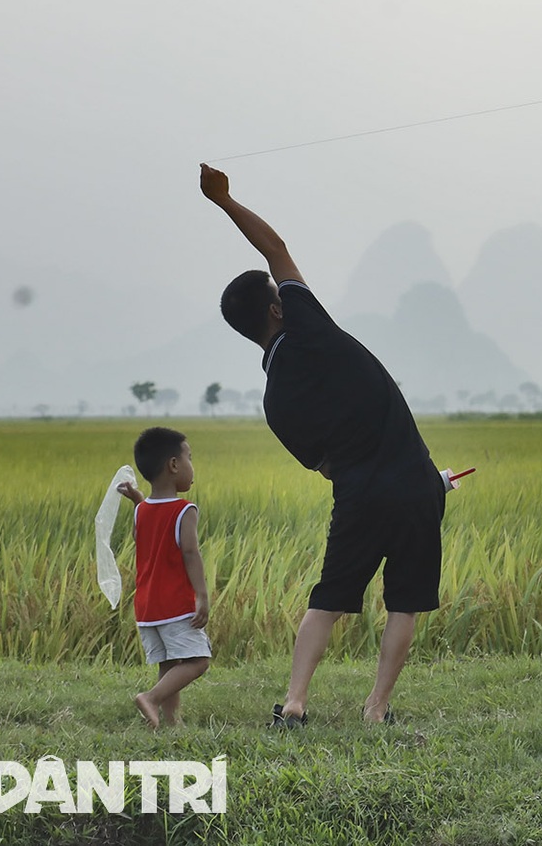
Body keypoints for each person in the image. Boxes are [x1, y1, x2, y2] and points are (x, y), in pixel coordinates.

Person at [200, 163, 448, 727]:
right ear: (277, 308)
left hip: (358, 494)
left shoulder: (275, 402)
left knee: (328, 600)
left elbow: (326, 466)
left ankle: (294, 703)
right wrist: (224, 200)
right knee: (405, 602)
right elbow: (276, 248)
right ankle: (376, 708)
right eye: (279, 295)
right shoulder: (308, 326)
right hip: (415, 481)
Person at [116, 427, 210, 728]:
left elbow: (142, 535)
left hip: (147, 608)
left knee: (169, 663)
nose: (192, 466)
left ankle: (169, 721)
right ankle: (151, 698)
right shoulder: (185, 510)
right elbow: (190, 553)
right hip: (174, 605)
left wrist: (137, 501)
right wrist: (202, 596)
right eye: (189, 458)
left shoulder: (141, 510)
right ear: (173, 465)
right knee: (199, 661)